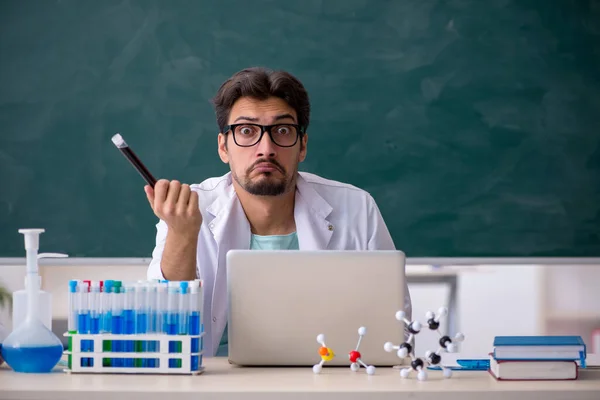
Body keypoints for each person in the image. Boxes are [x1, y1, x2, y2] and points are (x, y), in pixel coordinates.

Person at [146, 67, 412, 357]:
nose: (266, 148)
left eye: (282, 131)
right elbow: (161, 333)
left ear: (302, 146)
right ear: (223, 147)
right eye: (246, 131)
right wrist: (183, 235)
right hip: (215, 386)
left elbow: (398, 331)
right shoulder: (188, 209)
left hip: (325, 383)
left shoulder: (356, 208)